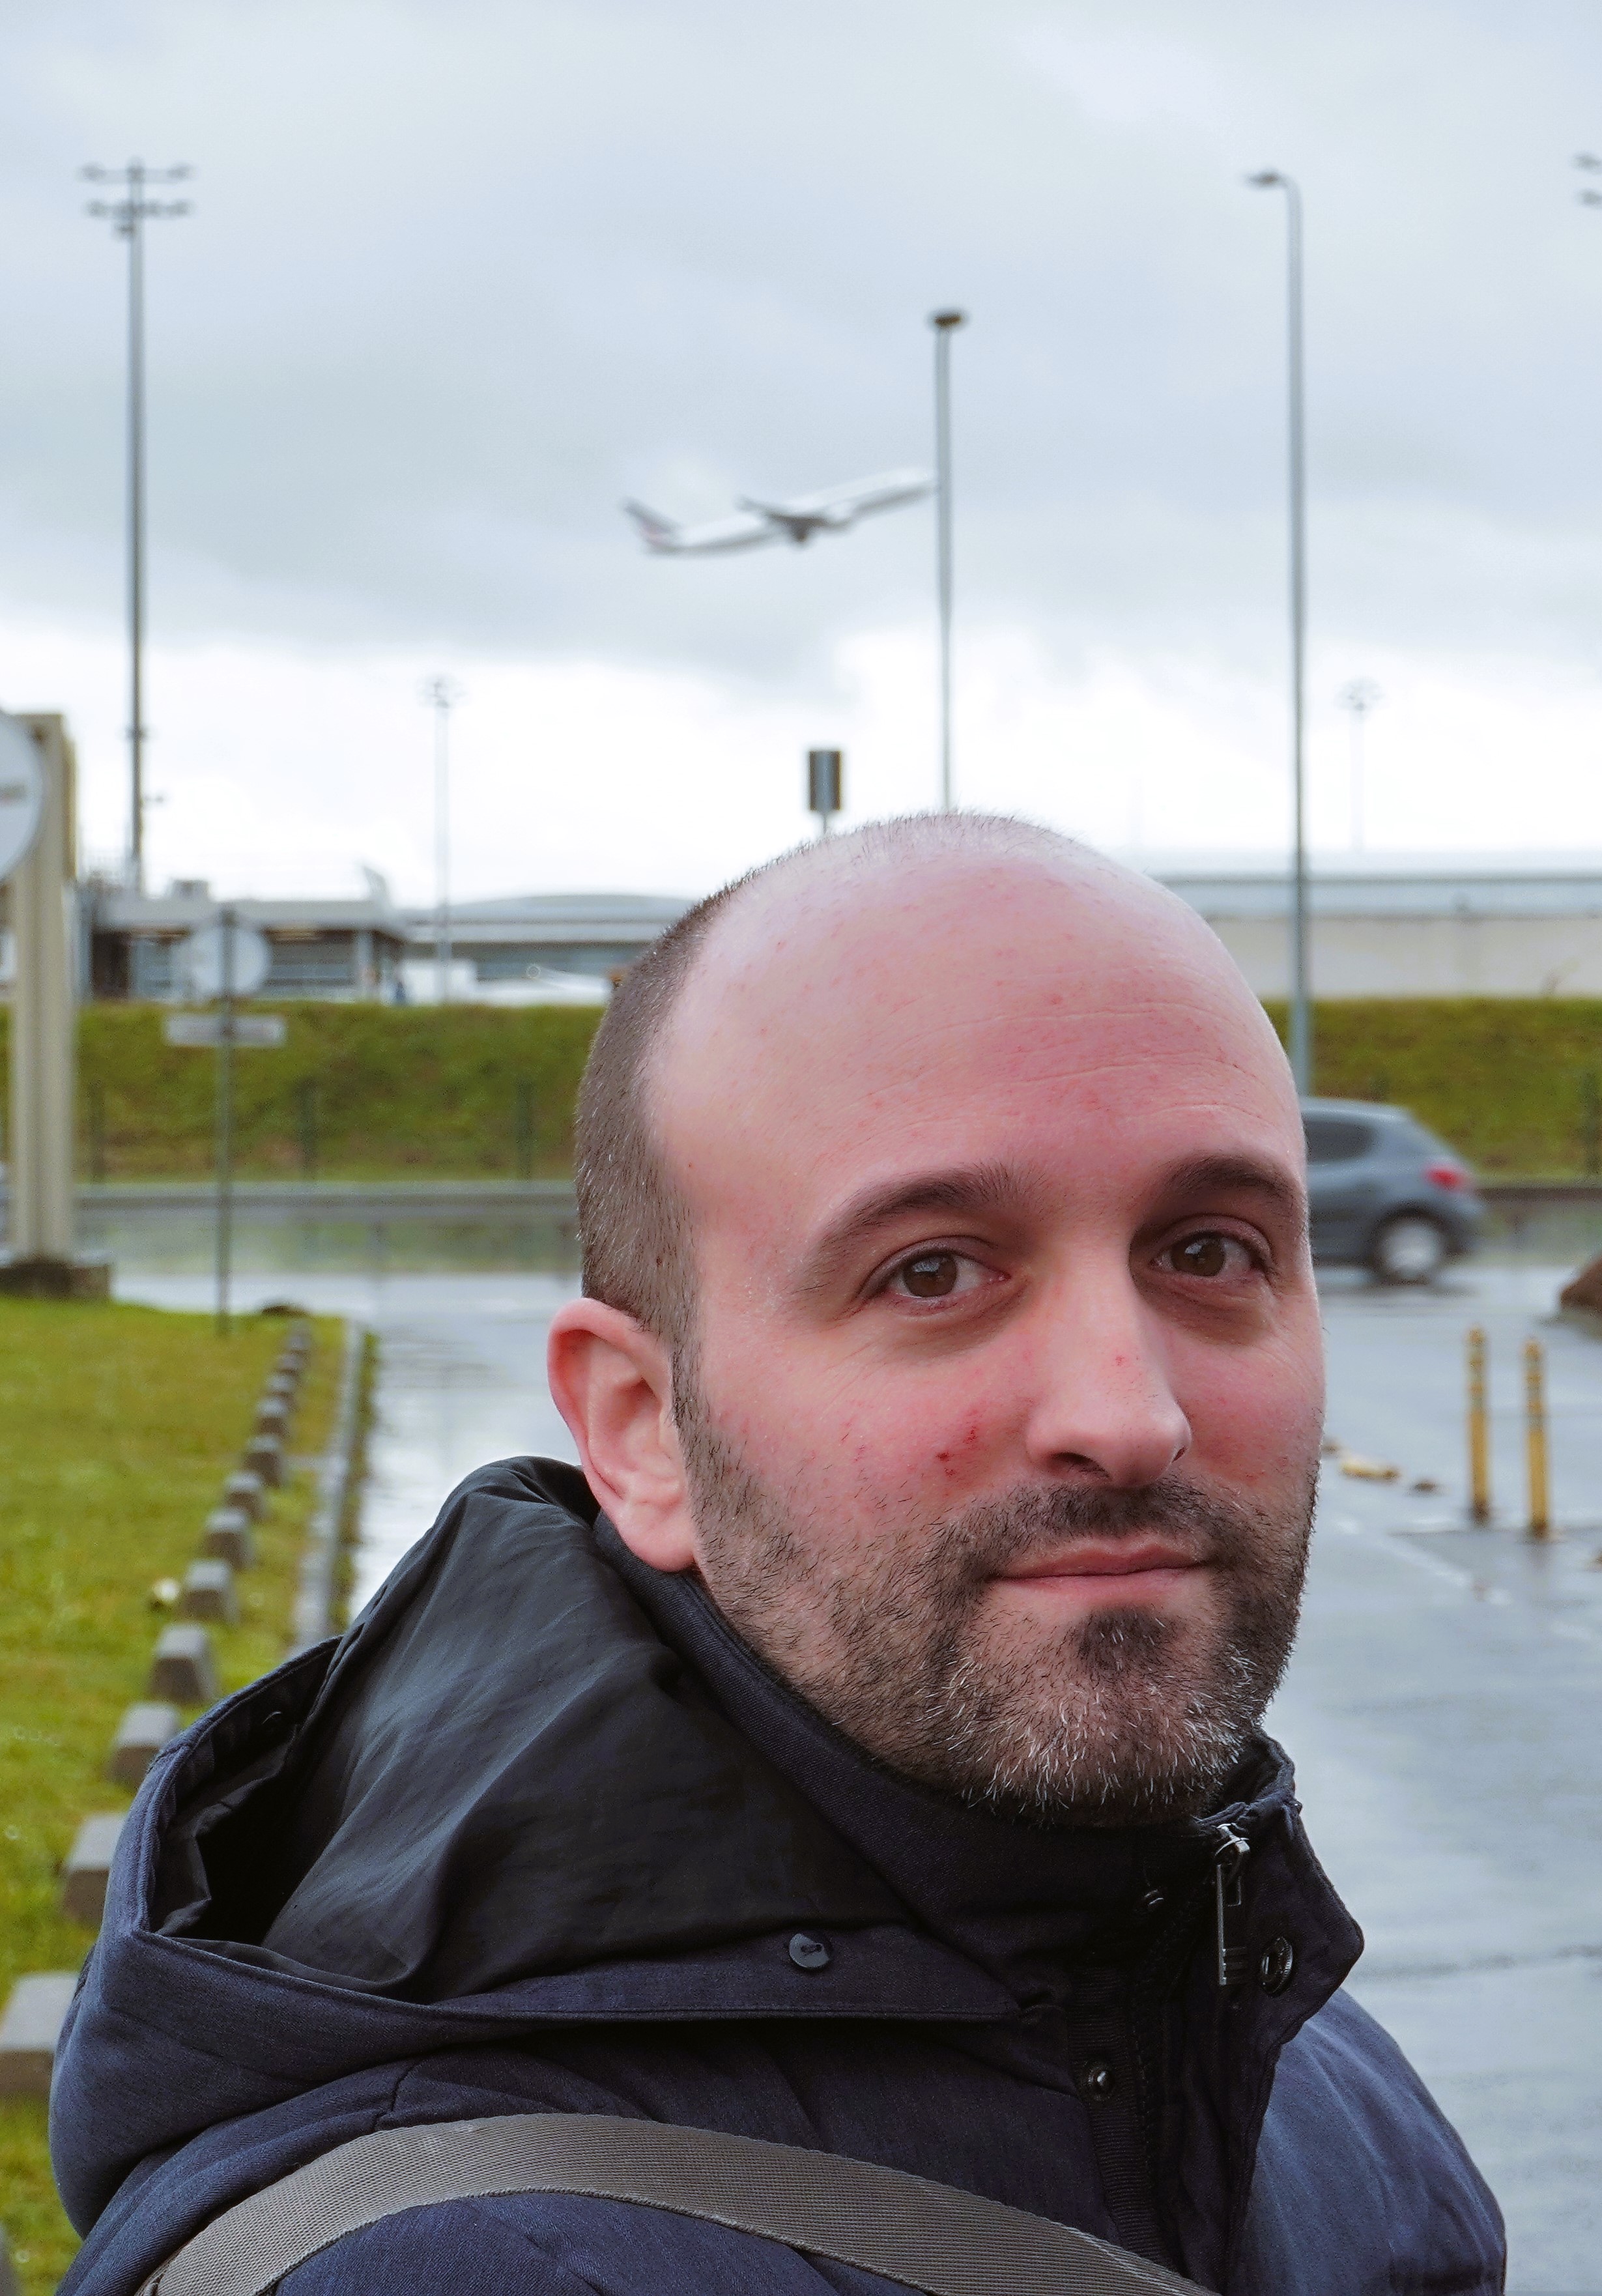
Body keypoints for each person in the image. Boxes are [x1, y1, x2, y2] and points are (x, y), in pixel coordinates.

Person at [53, 816, 1505, 2294]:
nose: (1129, 1418)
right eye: (931, 1272)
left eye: (1209, 1251)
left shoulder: (1309, 2072)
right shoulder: (456, 2265)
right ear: (643, 1429)